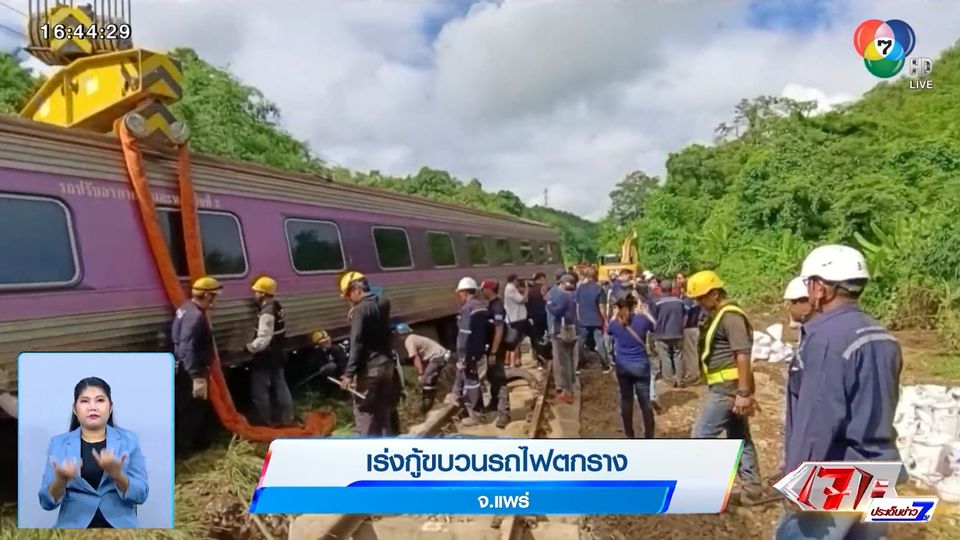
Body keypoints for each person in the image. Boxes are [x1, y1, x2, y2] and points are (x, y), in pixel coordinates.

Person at [775, 246, 902, 540]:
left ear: (821, 288)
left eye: (809, 284)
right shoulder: (882, 335)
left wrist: (800, 480)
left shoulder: (826, 339)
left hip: (839, 475)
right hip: (882, 469)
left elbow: (818, 416)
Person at [686, 270, 767, 506]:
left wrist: (744, 393)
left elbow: (742, 355)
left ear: (714, 293)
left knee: (702, 436)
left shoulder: (731, 317)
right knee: (739, 438)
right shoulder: (719, 315)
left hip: (728, 388)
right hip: (728, 386)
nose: (699, 303)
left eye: (701, 298)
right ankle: (752, 491)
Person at [39, 377, 148, 528]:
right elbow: (46, 502)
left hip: (121, 527)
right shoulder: (58, 443)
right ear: (75, 409)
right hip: (73, 527)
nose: (92, 407)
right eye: (85, 401)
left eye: (100, 400)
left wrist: (118, 476)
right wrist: (60, 480)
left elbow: (141, 495)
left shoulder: (129, 440)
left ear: (110, 407)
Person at [338, 270, 398, 436]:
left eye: (349, 295)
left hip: (371, 368)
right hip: (387, 365)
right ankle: (387, 447)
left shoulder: (360, 310)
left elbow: (357, 343)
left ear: (357, 290)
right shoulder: (384, 303)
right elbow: (376, 299)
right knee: (383, 410)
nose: (349, 299)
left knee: (364, 411)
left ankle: (367, 448)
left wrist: (349, 375)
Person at [170, 276, 221, 455]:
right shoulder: (196, 316)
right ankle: (185, 450)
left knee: (188, 407)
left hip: (183, 367)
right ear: (207, 295)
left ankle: (197, 443)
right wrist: (196, 375)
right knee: (193, 409)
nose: (216, 299)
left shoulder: (185, 308)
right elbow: (188, 346)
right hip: (191, 370)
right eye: (214, 295)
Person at [246, 276, 293, 427]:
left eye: (256, 292)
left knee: (260, 389)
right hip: (278, 353)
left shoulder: (267, 312)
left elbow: (264, 338)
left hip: (266, 356)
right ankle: (287, 418)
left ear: (263, 293)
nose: (254, 295)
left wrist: (249, 348)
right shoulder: (277, 306)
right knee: (281, 386)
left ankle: (264, 421)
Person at [607, 295, 657, 438]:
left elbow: (608, 330)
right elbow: (655, 326)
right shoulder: (642, 319)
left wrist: (615, 315)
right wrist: (644, 312)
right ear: (634, 305)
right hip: (640, 366)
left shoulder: (615, 323)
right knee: (645, 402)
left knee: (626, 400)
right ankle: (649, 436)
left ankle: (629, 434)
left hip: (623, 366)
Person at [450, 277, 487, 426]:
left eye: (460, 292)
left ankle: (476, 414)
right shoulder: (481, 306)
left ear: (465, 292)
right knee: (472, 379)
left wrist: (462, 355)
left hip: (469, 350)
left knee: (471, 381)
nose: (459, 295)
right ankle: (460, 398)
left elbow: (464, 334)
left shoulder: (467, 308)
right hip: (478, 349)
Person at [391, 322, 451, 415]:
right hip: (440, 355)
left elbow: (415, 357)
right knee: (432, 378)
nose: (397, 337)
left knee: (427, 380)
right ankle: (437, 398)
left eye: (397, 334)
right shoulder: (414, 338)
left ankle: (427, 405)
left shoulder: (409, 340)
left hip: (437, 357)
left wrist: (420, 373)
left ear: (401, 334)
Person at [480, 279, 511, 428]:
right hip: (492, 348)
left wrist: (493, 351)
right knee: (492, 376)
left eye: (483, 289)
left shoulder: (497, 307)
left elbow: (499, 331)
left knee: (499, 378)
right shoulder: (492, 305)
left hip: (496, 350)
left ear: (489, 289)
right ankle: (494, 403)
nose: (481, 292)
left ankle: (504, 413)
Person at [548, 273, 578, 405]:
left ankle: (568, 391)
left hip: (563, 331)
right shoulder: (575, 294)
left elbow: (557, 312)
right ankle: (572, 385)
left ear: (564, 284)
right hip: (573, 330)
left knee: (564, 363)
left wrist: (549, 303)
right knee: (570, 360)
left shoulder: (564, 296)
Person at [575, 267, 612, 374]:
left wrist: (579, 317)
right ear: (596, 275)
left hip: (583, 319)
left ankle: (578, 366)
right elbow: (601, 307)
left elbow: (577, 306)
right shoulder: (599, 289)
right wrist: (605, 319)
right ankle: (605, 366)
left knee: (580, 343)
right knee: (600, 343)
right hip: (596, 320)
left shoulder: (580, 289)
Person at [652, 279, 688, 387]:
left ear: (660, 289)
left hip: (662, 333)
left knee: (665, 356)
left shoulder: (657, 303)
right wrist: (682, 327)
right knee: (678, 356)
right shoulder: (680, 302)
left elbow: (654, 318)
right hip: (678, 332)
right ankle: (680, 380)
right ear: (671, 289)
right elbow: (685, 316)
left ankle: (669, 381)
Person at [502, 274, 528, 368]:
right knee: (515, 341)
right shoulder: (511, 288)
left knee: (512, 340)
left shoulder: (510, 288)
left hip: (513, 318)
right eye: (517, 280)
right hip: (516, 318)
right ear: (514, 280)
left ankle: (509, 361)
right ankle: (514, 362)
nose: (518, 282)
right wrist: (527, 289)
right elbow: (522, 300)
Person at [525, 272, 550, 367]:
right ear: (541, 278)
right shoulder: (544, 289)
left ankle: (539, 359)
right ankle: (547, 357)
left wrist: (529, 316)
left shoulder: (530, 291)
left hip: (534, 318)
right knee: (547, 338)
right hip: (545, 317)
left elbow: (527, 304)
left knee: (536, 339)